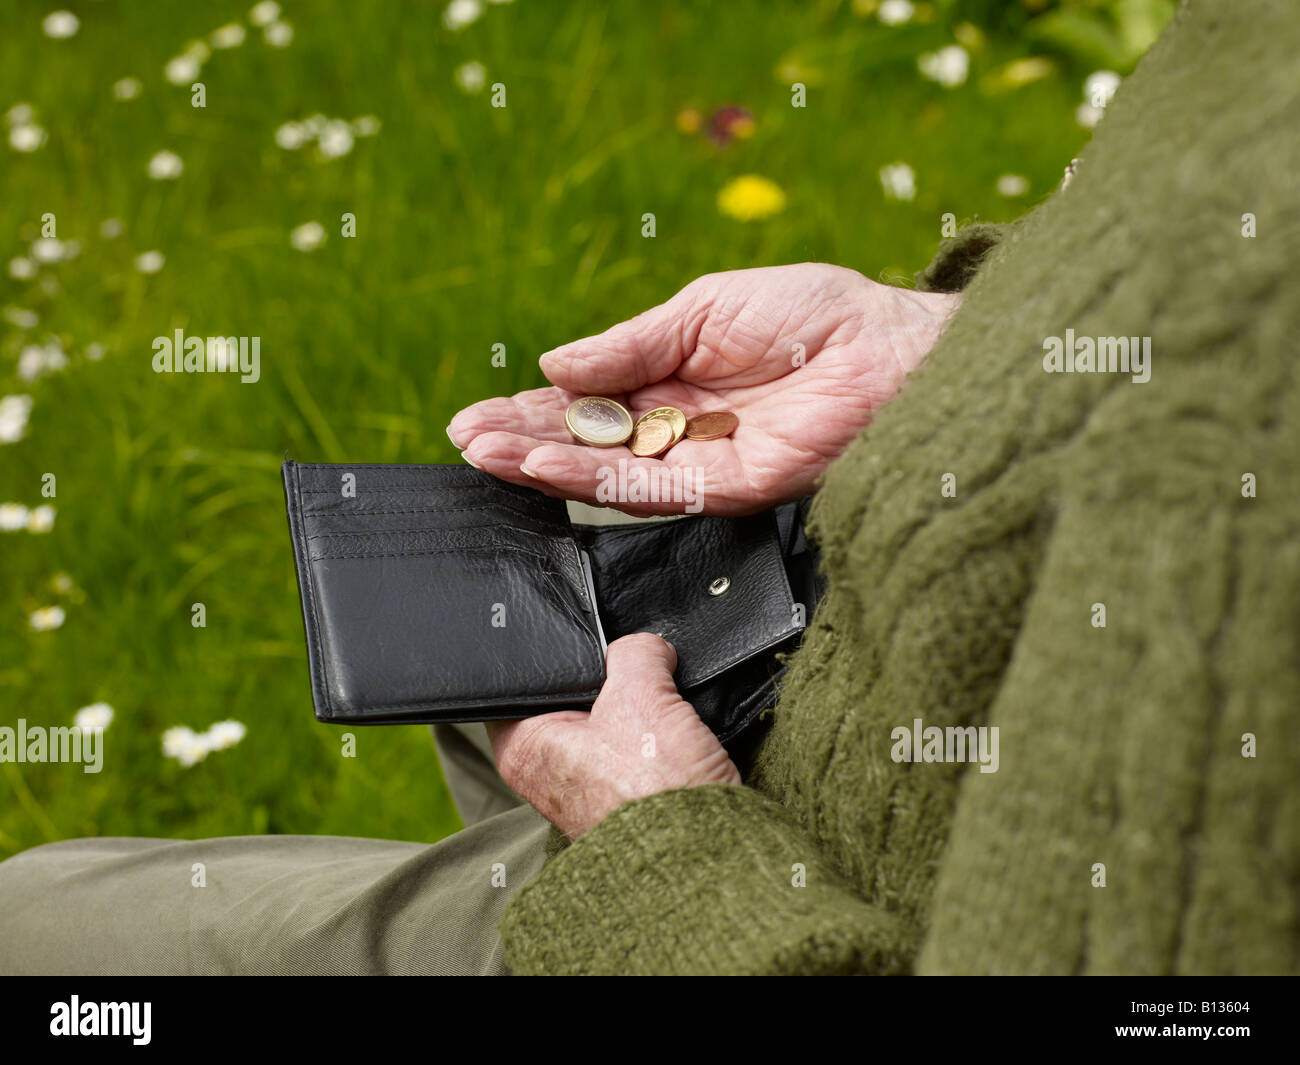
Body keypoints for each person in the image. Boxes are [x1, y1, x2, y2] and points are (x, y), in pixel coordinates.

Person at [1, 0, 1296, 974]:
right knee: (489, 599)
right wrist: (957, 343)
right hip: (809, 662)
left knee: (43, 925)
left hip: (748, 887)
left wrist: (655, 849)